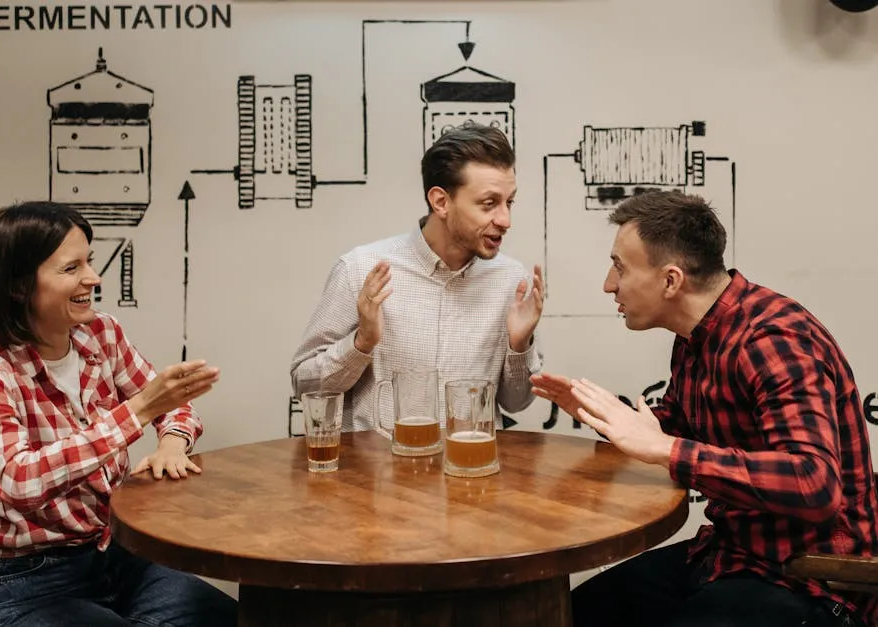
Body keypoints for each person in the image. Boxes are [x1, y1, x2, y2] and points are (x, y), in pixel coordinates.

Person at [531, 190, 878, 627]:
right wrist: (601, 414)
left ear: (671, 281)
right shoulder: (697, 336)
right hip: (733, 554)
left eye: (620, 267)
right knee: (576, 613)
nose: (608, 284)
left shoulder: (772, 340)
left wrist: (667, 451)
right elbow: (675, 427)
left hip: (809, 580)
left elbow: (814, 483)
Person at [0, 201, 237, 626]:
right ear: (17, 285)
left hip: (118, 557)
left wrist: (173, 444)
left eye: (90, 261)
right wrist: (137, 412)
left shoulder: (100, 333)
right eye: (71, 268)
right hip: (29, 583)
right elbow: (17, 481)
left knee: (232, 618)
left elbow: (170, 403)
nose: (93, 278)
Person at [290, 123, 545, 431]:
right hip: (374, 474)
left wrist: (519, 346)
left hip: (470, 472)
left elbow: (515, 403)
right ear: (441, 202)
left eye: (510, 202)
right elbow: (306, 386)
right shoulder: (360, 269)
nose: (505, 220)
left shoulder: (512, 282)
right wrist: (361, 343)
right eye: (489, 203)